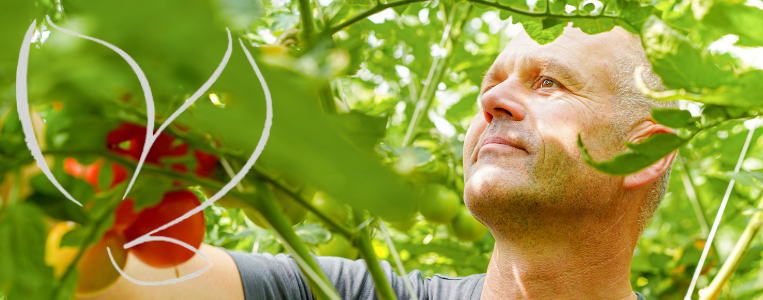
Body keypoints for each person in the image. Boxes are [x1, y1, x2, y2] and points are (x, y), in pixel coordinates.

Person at [81, 25, 677, 300]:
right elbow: (107, 280)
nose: (491, 101)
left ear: (644, 153)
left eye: (548, 83)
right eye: (490, 82)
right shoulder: (332, 291)